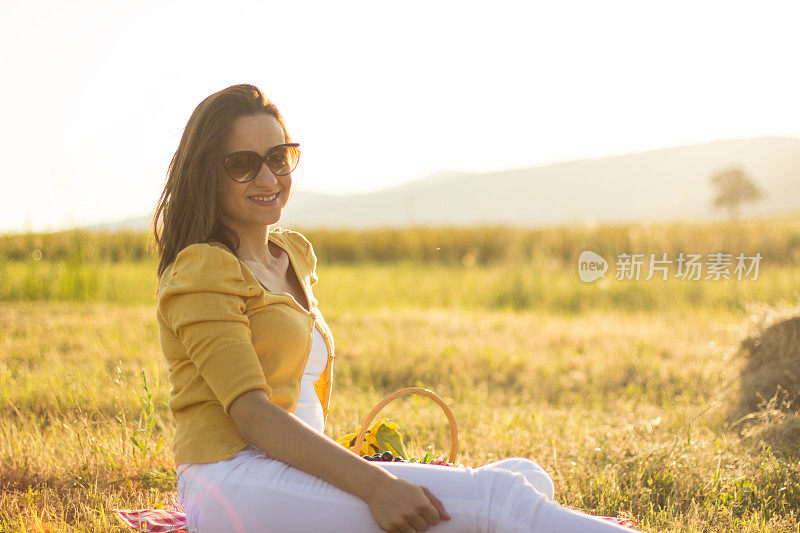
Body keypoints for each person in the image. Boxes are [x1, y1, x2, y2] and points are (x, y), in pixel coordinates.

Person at [151, 83, 637, 533]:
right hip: (232, 480)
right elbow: (252, 414)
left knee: (525, 476)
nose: (267, 176)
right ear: (206, 173)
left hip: (288, 470)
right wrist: (376, 485)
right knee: (501, 498)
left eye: (279, 157)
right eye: (242, 163)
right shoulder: (203, 269)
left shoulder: (289, 256)